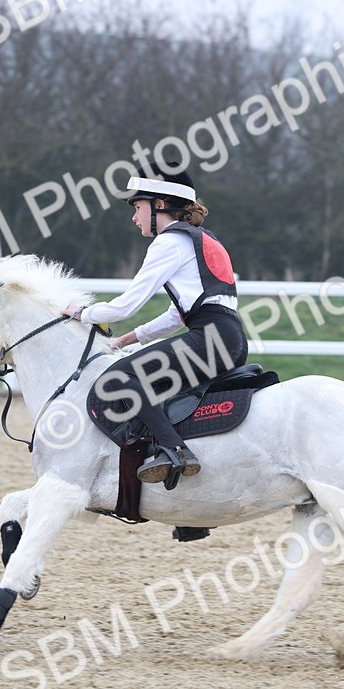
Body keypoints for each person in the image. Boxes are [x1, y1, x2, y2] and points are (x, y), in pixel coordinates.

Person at [63, 163, 248, 488]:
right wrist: (126, 340)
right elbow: (177, 316)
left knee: (119, 379)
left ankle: (175, 451)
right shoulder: (202, 239)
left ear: (159, 204)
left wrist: (83, 313)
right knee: (162, 398)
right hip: (230, 339)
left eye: (138, 207)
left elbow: (126, 304)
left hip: (208, 340)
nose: (134, 217)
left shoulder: (168, 242)